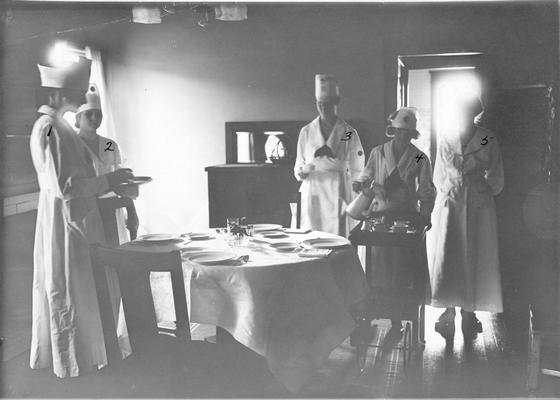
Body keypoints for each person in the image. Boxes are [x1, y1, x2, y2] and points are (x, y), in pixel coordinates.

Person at [30, 64, 133, 377]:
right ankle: (75, 363)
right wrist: (110, 180)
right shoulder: (49, 127)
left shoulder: (58, 126)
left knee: (79, 289)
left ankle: (84, 357)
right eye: (79, 89)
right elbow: (67, 187)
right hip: (67, 224)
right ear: (58, 92)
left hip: (75, 219)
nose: (84, 96)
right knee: (70, 289)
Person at [427, 94, 504, 339]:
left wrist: (484, 189)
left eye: (467, 111)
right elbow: (439, 175)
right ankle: (448, 310)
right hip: (451, 202)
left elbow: (496, 174)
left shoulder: (487, 137)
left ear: (475, 113)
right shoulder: (446, 136)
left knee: (475, 254)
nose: (463, 115)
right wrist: (451, 191)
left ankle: (469, 311)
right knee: (450, 255)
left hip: (479, 203)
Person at [353, 107, 435, 334]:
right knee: (378, 267)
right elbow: (366, 174)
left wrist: (425, 215)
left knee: (401, 269)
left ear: (413, 135)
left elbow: (427, 189)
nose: (403, 137)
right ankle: (371, 312)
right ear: (392, 130)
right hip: (380, 216)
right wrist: (360, 183)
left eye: (408, 134)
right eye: (399, 132)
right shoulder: (378, 152)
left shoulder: (419, 156)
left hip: (406, 217)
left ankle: (398, 319)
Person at [294, 74, 364, 236]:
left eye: (327, 104)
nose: (323, 108)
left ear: (336, 102)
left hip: (338, 189)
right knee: (313, 234)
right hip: (314, 190)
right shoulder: (307, 132)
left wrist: (355, 190)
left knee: (336, 234)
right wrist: (302, 171)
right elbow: (298, 165)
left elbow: (357, 167)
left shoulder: (347, 132)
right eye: (320, 104)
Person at [75, 83, 139, 242]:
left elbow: (119, 176)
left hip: (112, 207)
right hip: (88, 210)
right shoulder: (73, 145)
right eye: (89, 114)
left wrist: (131, 207)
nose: (94, 118)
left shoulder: (109, 145)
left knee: (115, 249)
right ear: (78, 118)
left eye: (98, 114)